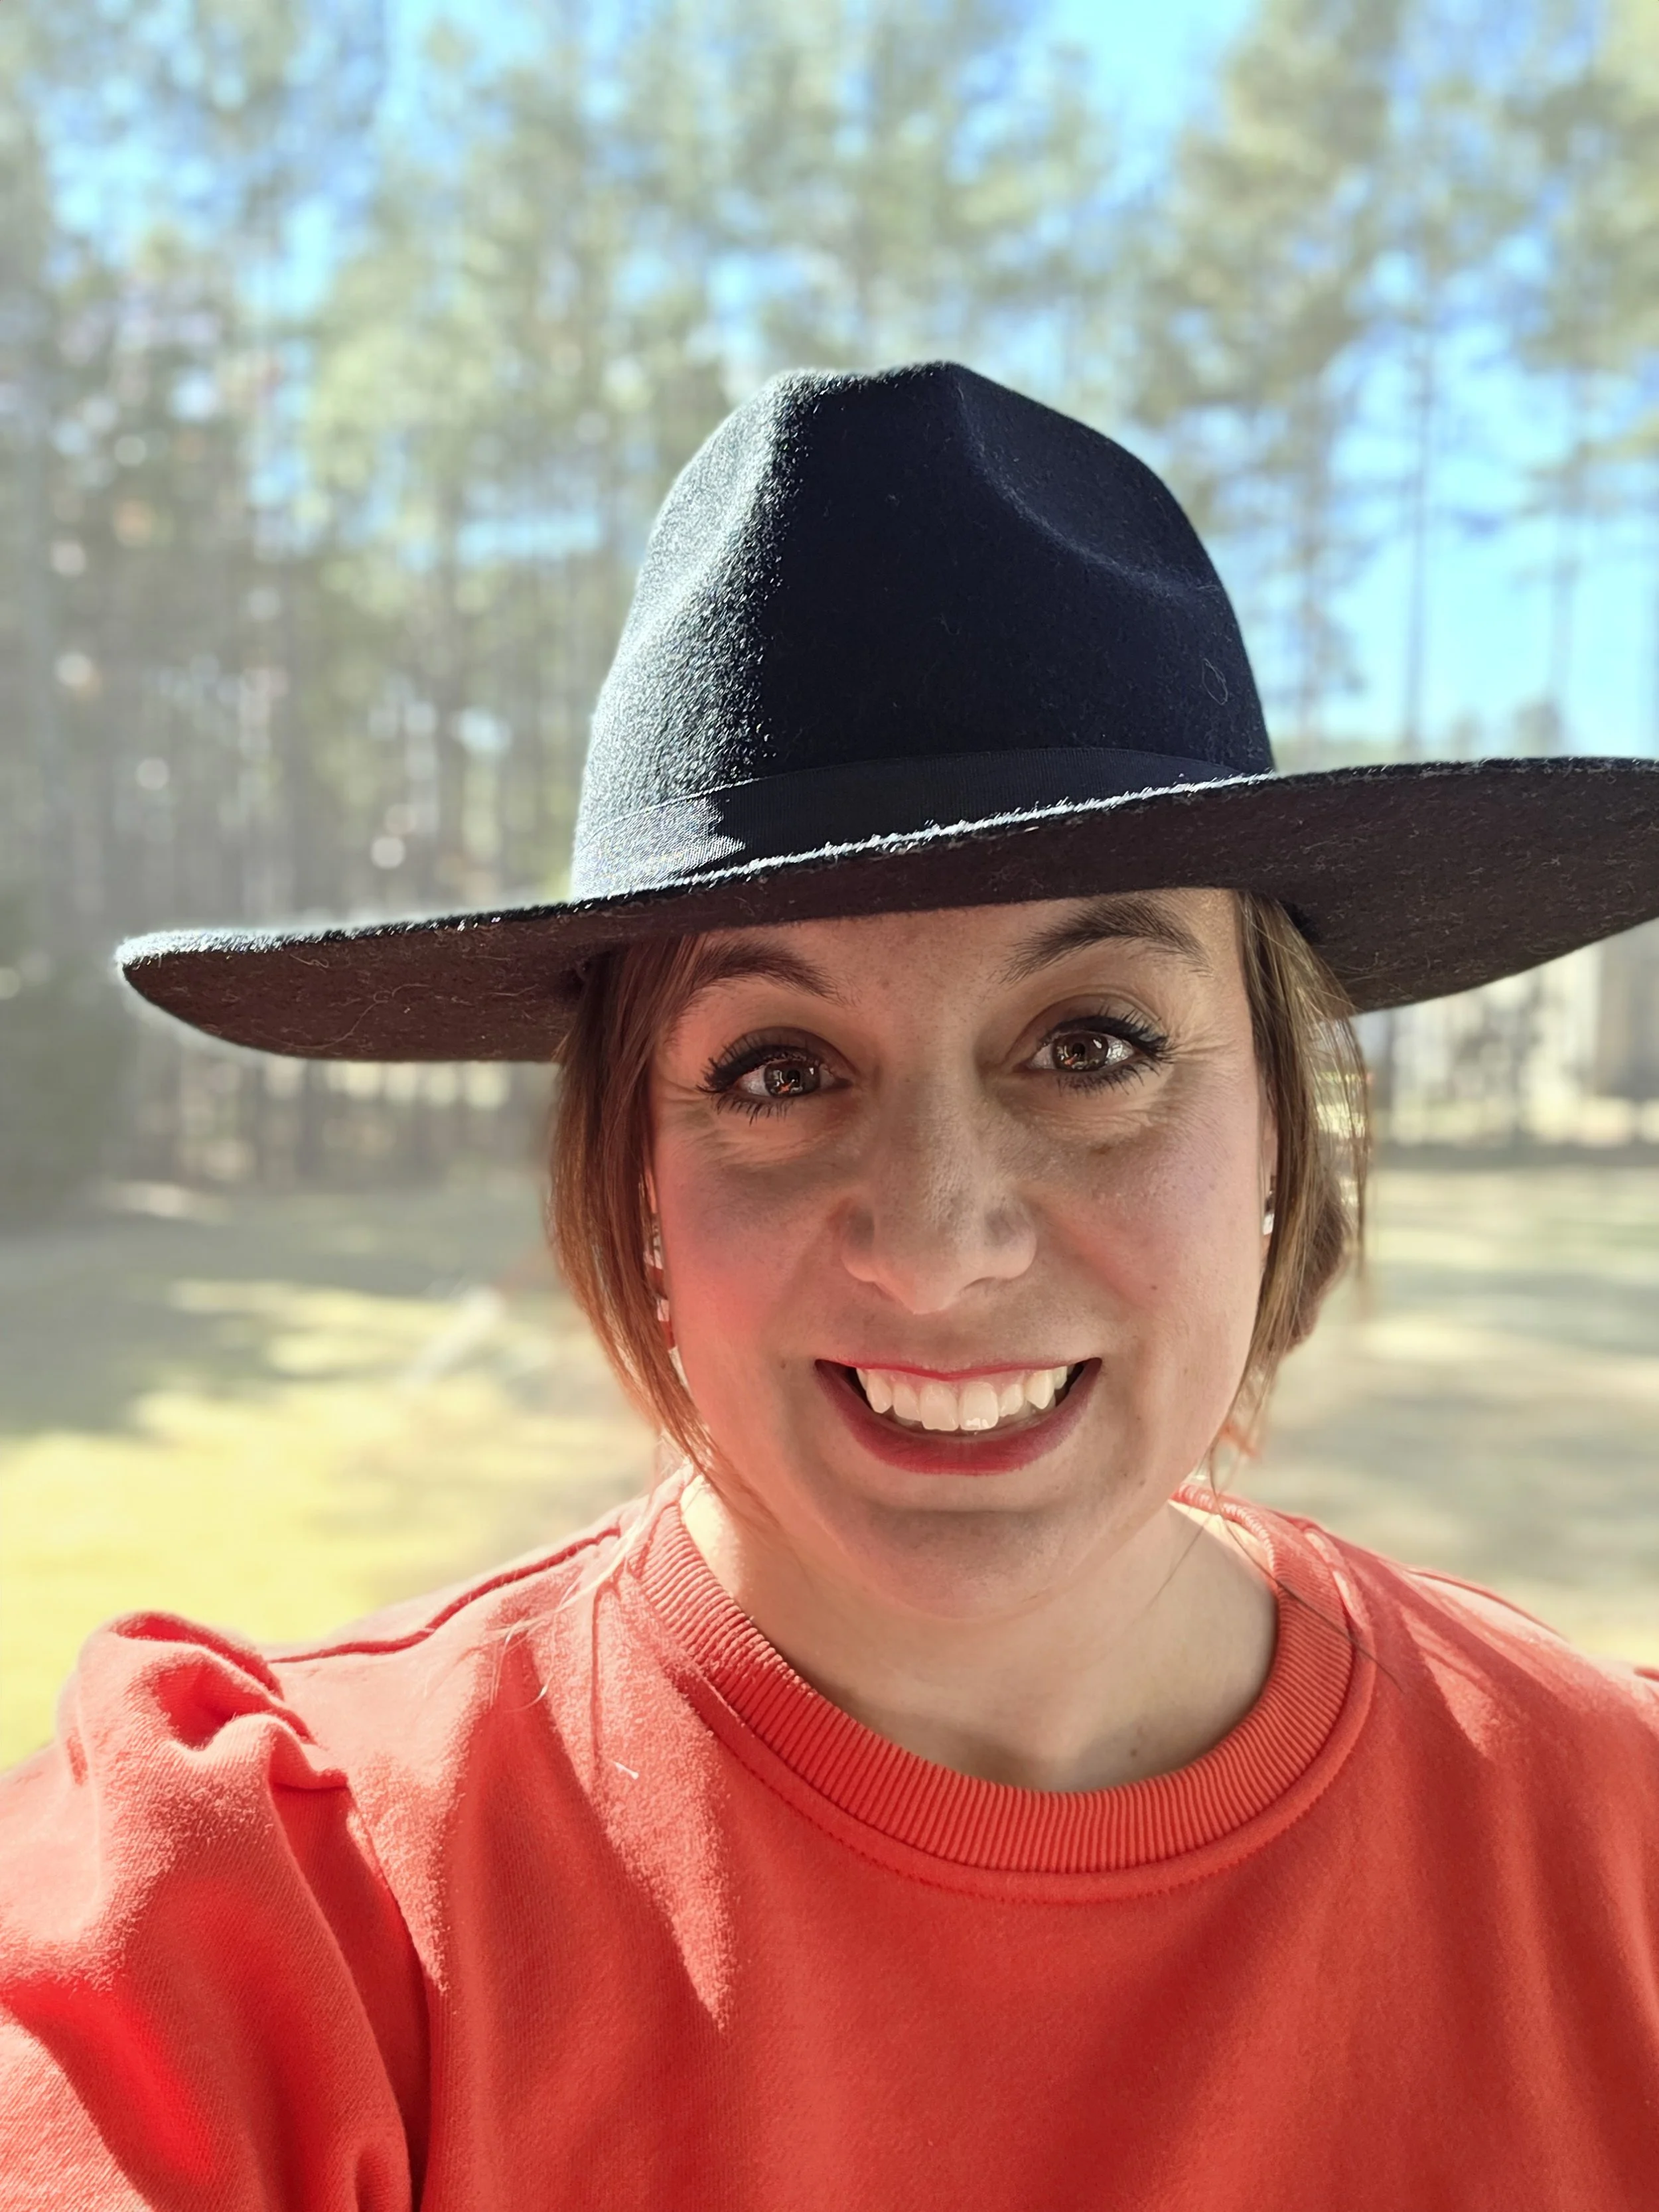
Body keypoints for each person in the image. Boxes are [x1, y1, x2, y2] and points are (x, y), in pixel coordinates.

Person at [5, 362, 1659, 2210]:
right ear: (637, 1172)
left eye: (1091, 1041)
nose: (939, 1236)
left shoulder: (1616, 1850)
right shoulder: (285, 1905)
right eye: (780, 1069)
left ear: (1279, 1117)